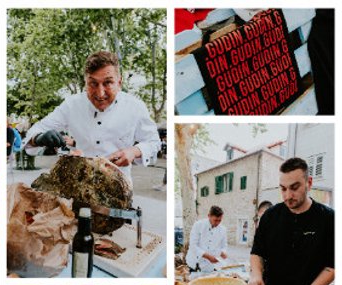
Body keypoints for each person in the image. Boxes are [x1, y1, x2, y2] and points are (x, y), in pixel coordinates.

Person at [23, 50, 161, 182]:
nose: (100, 93)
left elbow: (153, 142)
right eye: (93, 84)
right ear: (85, 83)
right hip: (78, 184)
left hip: (118, 187)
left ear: (119, 83)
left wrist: (134, 151)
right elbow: (33, 132)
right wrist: (39, 138)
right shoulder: (71, 105)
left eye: (108, 83)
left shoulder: (135, 107)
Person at [248, 158, 335, 285]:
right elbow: (257, 252)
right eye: (283, 189)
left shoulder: (329, 219)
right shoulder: (270, 216)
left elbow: (332, 267)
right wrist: (256, 275)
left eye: (294, 188)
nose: (288, 196)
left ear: (309, 182)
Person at [185, 206, 229, 273]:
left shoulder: (223, 229)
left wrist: (223, 252)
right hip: (195, 263)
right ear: (209, 216)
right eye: (215, 220)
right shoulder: (198, 225)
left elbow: (224, 245)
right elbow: (193, 245)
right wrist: (208, 256)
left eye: (219, 220)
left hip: (210, 266)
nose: (217, 223)